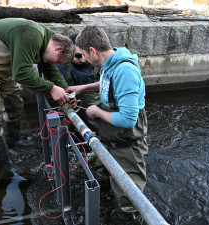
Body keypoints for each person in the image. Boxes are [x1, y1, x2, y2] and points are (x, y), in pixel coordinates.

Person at [0, 18, 76, 175]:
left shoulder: (44, 40)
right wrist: (51, 88)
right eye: (58, 61)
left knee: (14, 105)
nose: (55, 65)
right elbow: (21, 73)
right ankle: (4, 164)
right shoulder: (31, 34)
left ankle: (11, 143)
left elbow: (49, 69)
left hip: (1, 66)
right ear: (59, 48)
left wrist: (64, 90)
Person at [66, 24, 148, 222]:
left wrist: (99, 113)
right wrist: (82, 88)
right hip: (110, 138)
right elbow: (105, 85)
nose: (82, 60)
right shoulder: (108, 63)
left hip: (127, 145)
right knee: (102, 176)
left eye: (82, 54)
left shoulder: (125, 71)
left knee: (128, 202)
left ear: (93, 51)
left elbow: (129, 120)